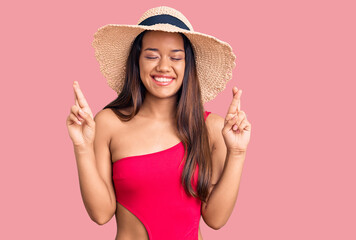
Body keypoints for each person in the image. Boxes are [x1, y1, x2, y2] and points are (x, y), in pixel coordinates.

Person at [66, 6, 251, 240]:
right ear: (137, 61)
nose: (163, 66)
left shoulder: (212, 129)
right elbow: (101, 214)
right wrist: (82, 148)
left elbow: (216, 219)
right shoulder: (108, 123)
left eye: (175, 57)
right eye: (152, 56)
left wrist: (237, 152)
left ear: (188, 65)